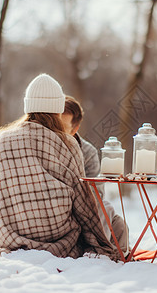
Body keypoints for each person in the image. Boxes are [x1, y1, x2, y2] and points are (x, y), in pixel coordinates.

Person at [0, 73, 119, 262]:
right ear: (57, 108)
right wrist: (97, 243)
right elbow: (83, 202)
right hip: (59, 240)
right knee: (103, 212)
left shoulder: (0, 140)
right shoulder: (68, 143)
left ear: (28, 106)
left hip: (11, 237)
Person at [61, 95, 129, 255]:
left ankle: (104, 253)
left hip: (81, 207)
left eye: (62, 127)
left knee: (112, 216)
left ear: (74, 129)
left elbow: (95, 194)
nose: (56, 132)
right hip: (55, 206)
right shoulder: (44, 146)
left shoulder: (88, 152)